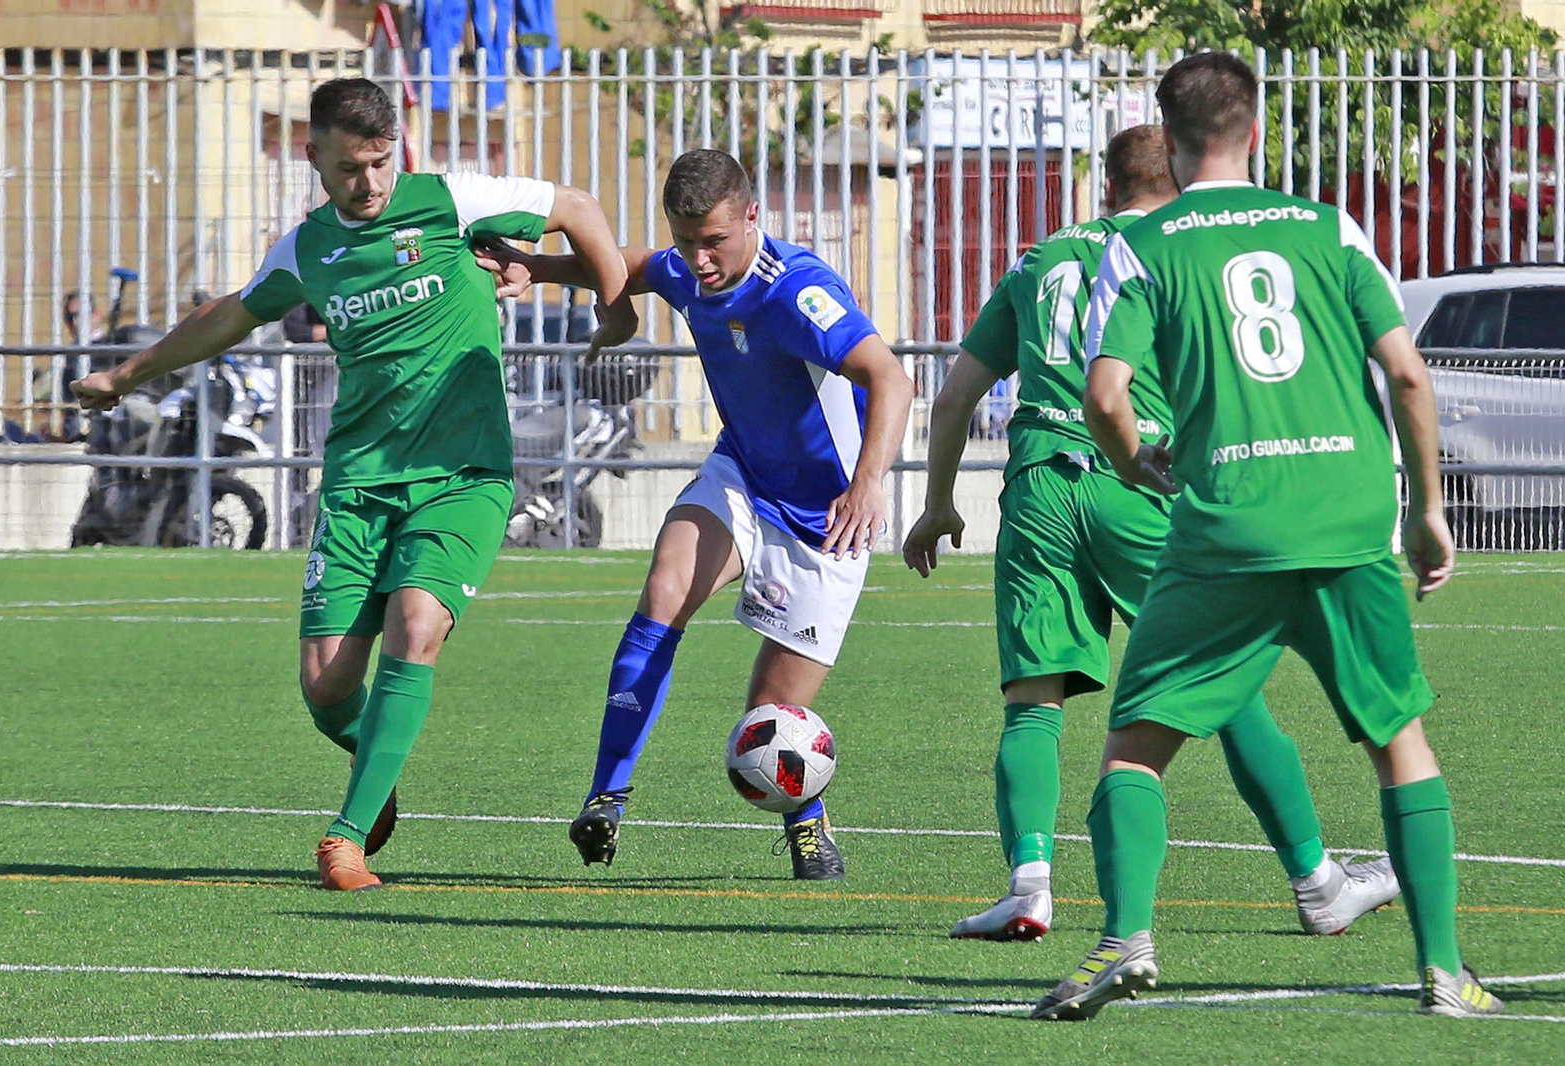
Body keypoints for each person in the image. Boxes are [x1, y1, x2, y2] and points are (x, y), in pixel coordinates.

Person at [69, 77, 636, 891]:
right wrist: (127, 372)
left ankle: (345, 838)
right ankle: (378, 768)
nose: (368, 183)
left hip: (463, 475)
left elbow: (579, 206)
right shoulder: (306, 250)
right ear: (314, 161)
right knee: (326, 687)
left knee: (417, 626)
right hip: (359, 484)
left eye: (379, 162)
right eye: (349, 169)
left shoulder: (456, 200)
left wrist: (614, 311)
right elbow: (229, 315)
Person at [1032, 52, 1498, 1020]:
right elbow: (1408, 376)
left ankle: (1125, 937)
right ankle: (1444, 971)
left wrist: (1136, 462)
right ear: (1255, 127)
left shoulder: (1146, 242)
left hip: (1225, 527)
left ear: (1167, 133)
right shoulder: (1330, 228)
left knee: (1132, 749)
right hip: (1345, 516)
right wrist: (1427, 510)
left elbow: (1106, 397)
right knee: (1397, 741)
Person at [903, 124, 1398, 944]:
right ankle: (1318, 882)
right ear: (1174, 173)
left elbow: (955, 395)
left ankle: (1028, 886)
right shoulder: (1176, 249)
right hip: (1138, 479)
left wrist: (939, 504)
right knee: (1227, 687)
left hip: (1036, 486)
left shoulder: (1040, 257)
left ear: (1105, 184)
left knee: (1033, 702)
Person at [482, 149, 913, 880]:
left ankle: (806, 820)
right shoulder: (686, 266)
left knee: (771, 714)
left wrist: (869, 483)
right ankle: (606, 797)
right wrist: (544, 269)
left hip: (826, 515)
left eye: (713, 240)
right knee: (665, 586)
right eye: (687, 241)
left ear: (752, 217)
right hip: (741, 475)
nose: (699, 260)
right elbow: (633, 267)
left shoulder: (798, 294)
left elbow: (891, 377)